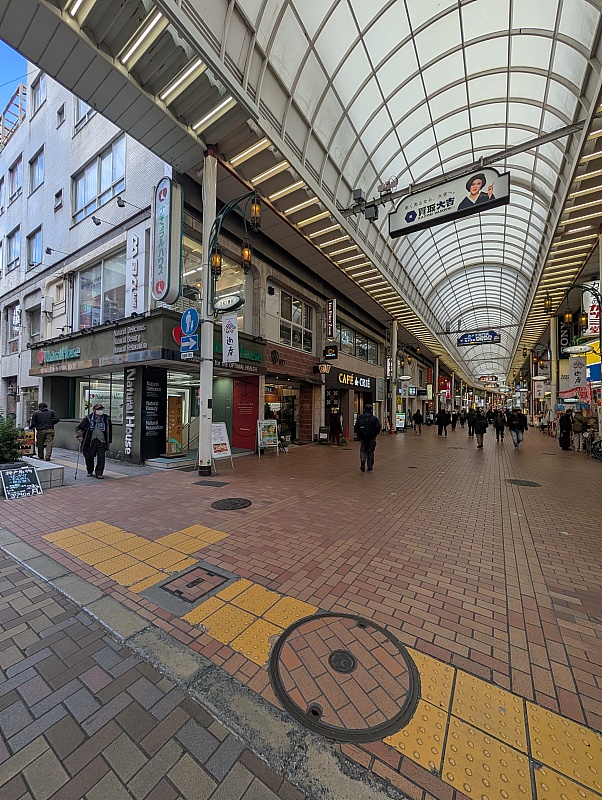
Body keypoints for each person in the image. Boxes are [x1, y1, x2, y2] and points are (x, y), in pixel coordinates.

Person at [75, 403, 113, 479]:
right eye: (98, 409)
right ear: (94, 410)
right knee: (89, 457)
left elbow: (109, 430)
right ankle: (90, 470)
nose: (100, 411)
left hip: (101, 441)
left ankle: (99, 473)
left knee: (101, 458)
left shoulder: (106, 418)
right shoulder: (88, 418)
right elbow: (79, 428)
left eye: (101, 409)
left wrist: (109, 441)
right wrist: (80, 436)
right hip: (90, 441)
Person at [355, 403, 381, 472]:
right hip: (371, 438)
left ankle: (363, 460)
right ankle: (369, 466)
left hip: (363, 437)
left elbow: (356, 427)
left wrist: (359, 434)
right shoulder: (374, 418)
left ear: (364, 409)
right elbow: (378, 428)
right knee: (371, 451)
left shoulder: (360, 417)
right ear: (371, 410)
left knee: (363, 450)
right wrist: (375, 434)